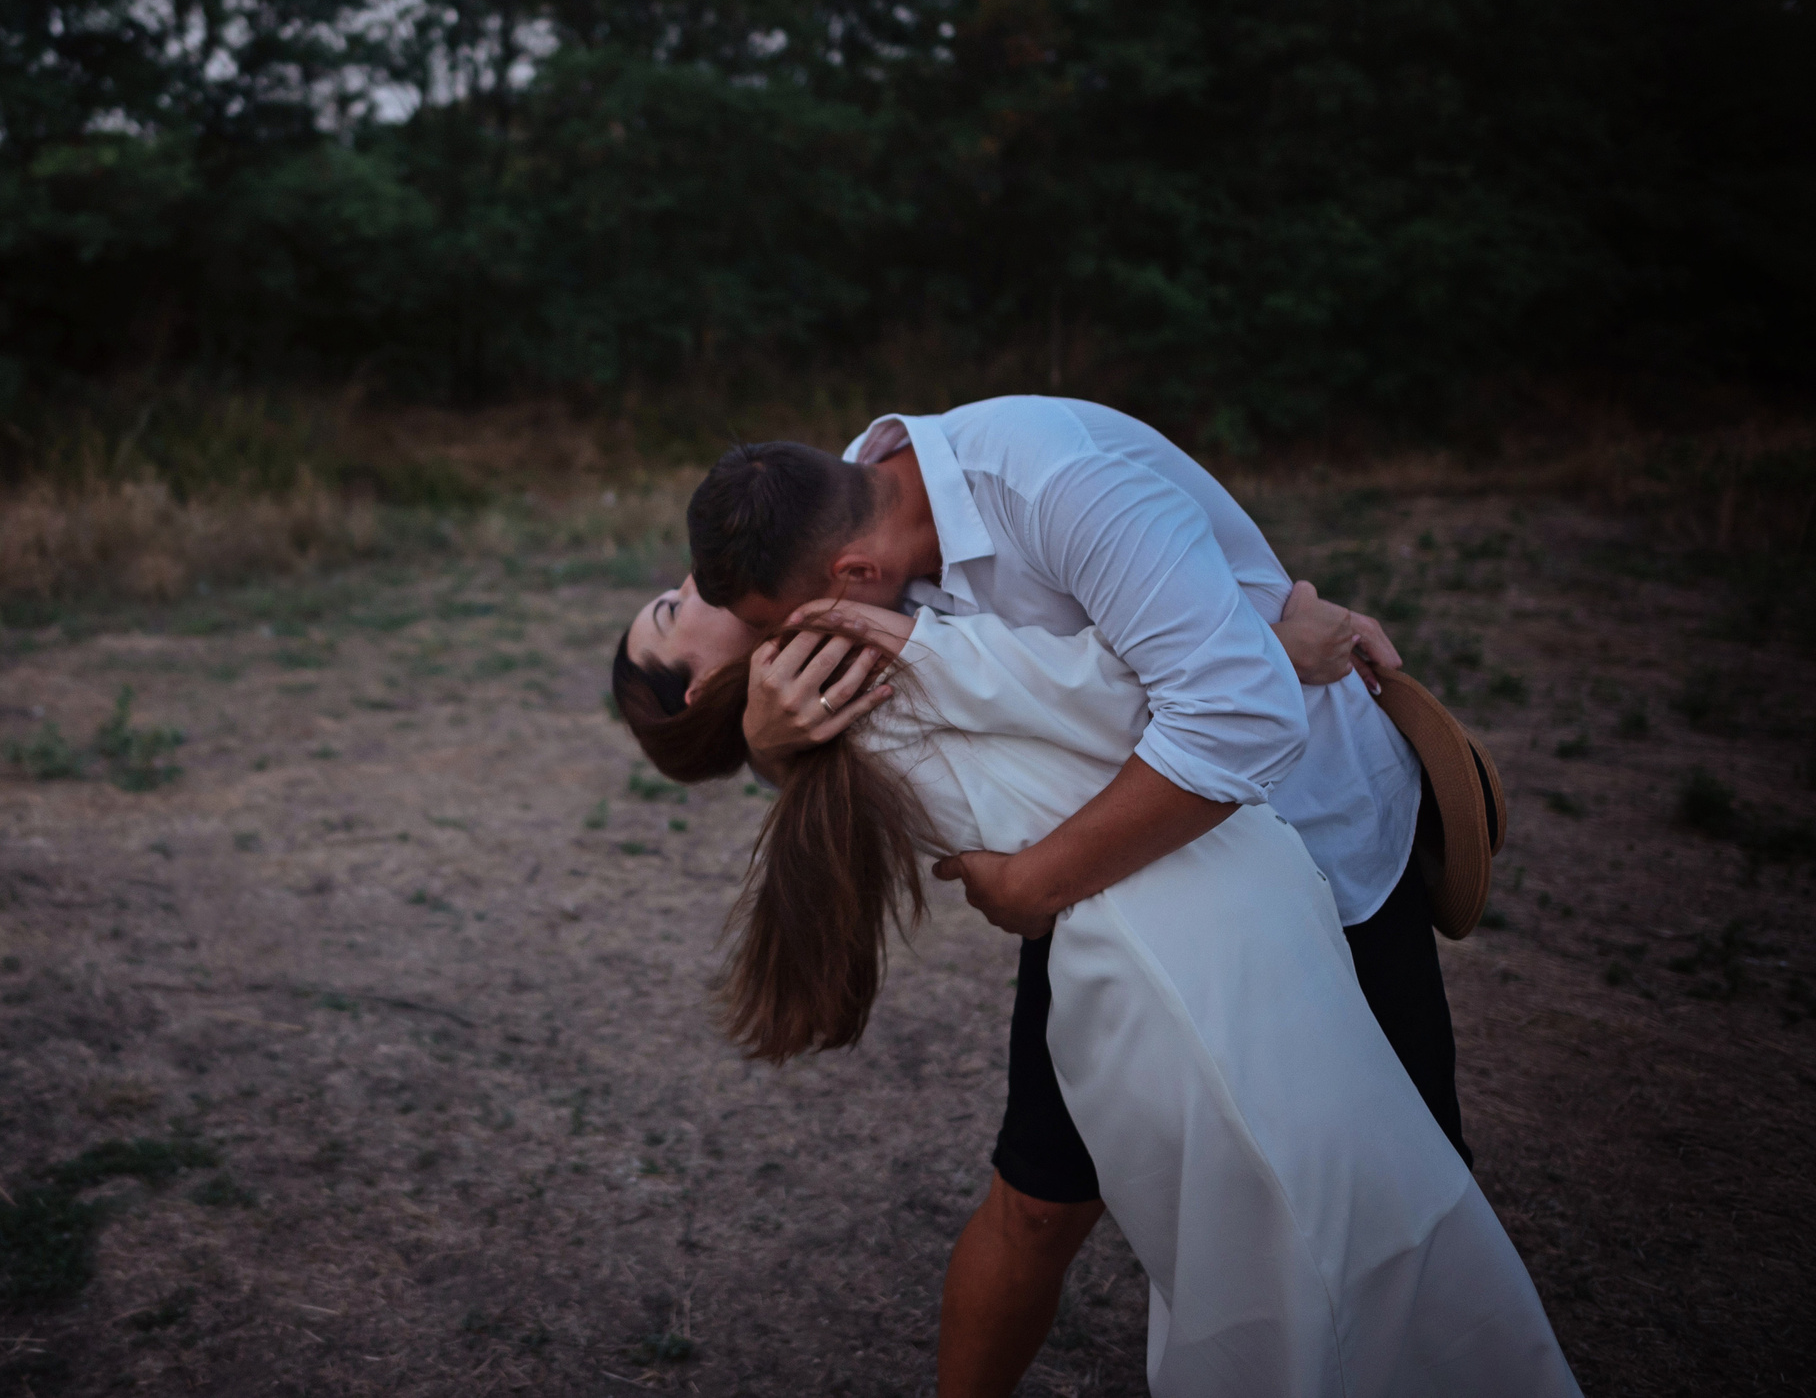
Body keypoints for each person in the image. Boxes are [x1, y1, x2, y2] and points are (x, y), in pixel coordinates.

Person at [614, 396, 1497, 1392]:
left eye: (752, 610)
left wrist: (1031, 880)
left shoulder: (1042, 485)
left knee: (1404, 1176)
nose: (716, 603)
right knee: (1039, 1200)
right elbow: (904, 741)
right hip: (1117, 885)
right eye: (687, 611)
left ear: (849, 575)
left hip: (1311, 836)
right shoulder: (837, 569)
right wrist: (772, 743)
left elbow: (1225, 714)